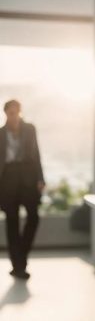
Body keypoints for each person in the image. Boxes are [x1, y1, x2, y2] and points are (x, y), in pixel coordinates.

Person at [0, 99, 45, 280]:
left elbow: (36, 153)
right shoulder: (1, 133)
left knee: (33, 217)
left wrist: (40, 178)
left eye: (17, 112)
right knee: (12, 222)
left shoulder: (29, 129)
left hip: (28, 177)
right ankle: (18, 266)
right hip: (8, 178)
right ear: (6, 114)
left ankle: (21, 257)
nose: (14, 116)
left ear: (20, 112)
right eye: (11, 113)